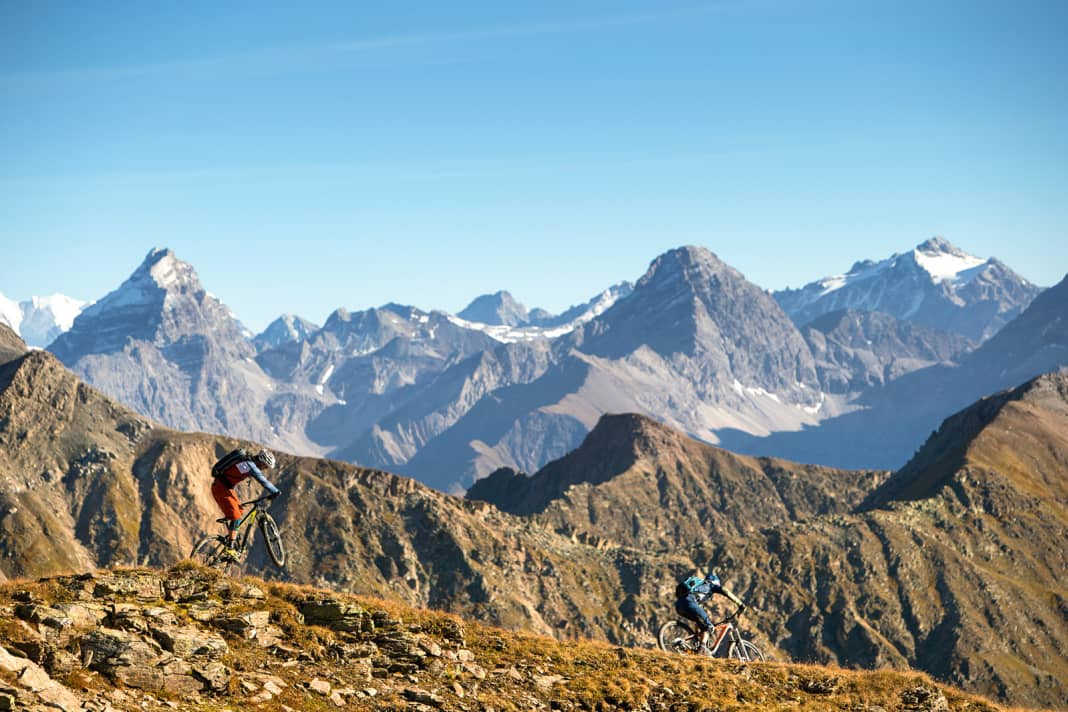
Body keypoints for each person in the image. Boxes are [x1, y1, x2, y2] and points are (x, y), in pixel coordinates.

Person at [211, 448, 281, 561]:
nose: (265, 469)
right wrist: (275, 491)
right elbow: (263, 480)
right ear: (262, 461)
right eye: (266, 466)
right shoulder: (250, 465)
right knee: (236, 516)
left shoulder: (248, 463)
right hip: (221, 488)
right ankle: (231, 546)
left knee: (240, 510)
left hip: (226, 488)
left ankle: (232, 535)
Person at [675, 571, 746, 649]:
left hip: (679, 605)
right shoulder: (711, 585)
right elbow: (725, 590)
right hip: (689, 602)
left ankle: (696, 642)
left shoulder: (699, 588)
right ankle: (702, 649)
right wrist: (740, 604)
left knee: (701, 621)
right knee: (709, 627)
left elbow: (698, 613)